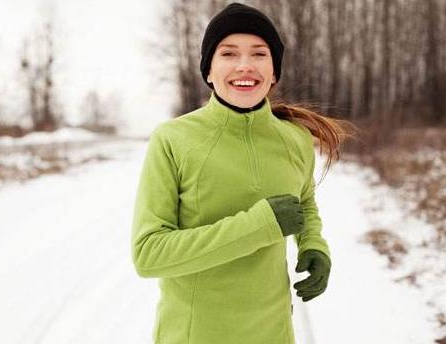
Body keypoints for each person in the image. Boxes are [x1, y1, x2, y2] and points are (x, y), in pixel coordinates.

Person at [131, 3, 354, 343]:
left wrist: (314, 244)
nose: (245, 65)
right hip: (195, 334)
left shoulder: (294, 139)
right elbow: (149, 254)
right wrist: (260, 225)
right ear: (208, 70)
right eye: (229, 53)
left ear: (274, 71)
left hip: (274, 331)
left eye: (259, 54)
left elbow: (303, 202)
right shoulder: (173, 139)